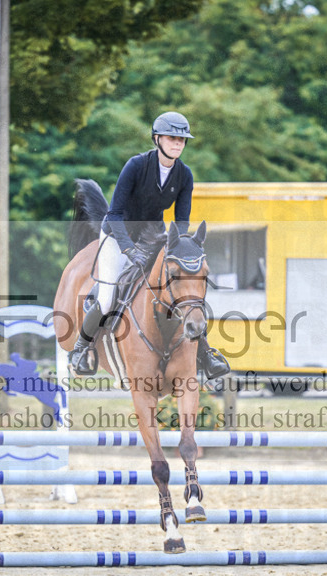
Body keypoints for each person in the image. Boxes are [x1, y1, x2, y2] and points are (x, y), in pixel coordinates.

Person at [68, 111, 230, 379]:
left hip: (154, 237)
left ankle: (205, 355)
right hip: (117, 234)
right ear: (157, 139)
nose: (178, 143)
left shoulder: (184, 175)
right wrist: (128, 248)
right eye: (172, 137)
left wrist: (181, 249)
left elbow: (181, 222)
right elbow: (115, 213)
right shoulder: (136, 166)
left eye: (182, 139)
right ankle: (81, 348)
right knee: (108, 298)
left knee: (182, 291)